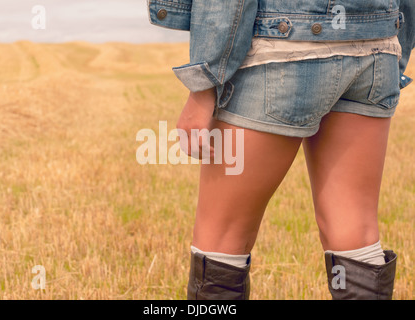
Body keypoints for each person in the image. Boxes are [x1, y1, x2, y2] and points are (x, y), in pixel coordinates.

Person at [148, 0, 414, 300]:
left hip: (281, 50)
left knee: (221, 240)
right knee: (357, 235)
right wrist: (393, 55)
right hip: (375, 52)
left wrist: (204, 83)